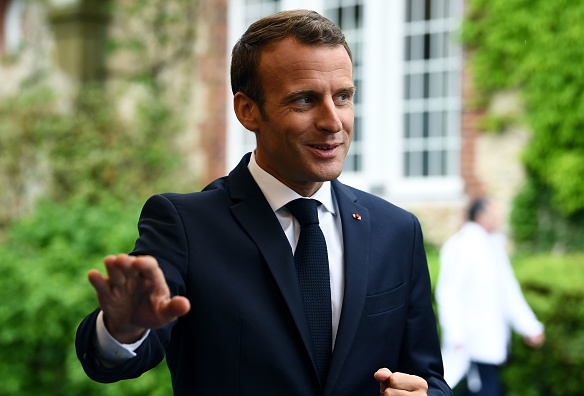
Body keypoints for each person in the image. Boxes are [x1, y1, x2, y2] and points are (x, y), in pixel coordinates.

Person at [75, 9, 452, 396]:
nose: (333, 121)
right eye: (305, 100)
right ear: (247, 111)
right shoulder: (186, 225)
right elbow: (117, 359)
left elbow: (429, 377)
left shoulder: (397, 231)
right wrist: (123, 329)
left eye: (342, 96)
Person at [435, 198, 545, 396]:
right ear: (481, 216)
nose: (499, 219)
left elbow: (508, 293)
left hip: (488, 341)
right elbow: (448, 291)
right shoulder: (460, 246)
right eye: (495, 214)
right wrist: (455, 331)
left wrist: (529, 326)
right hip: (469, 341)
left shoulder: (491, 246)